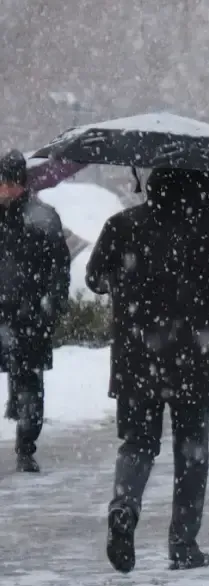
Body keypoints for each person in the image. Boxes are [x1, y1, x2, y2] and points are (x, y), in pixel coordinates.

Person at [86, 168, 209, 573]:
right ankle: (183, 544)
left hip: (135, 359)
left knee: (137, 444)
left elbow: (93, 278)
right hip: (192, 360)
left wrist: (124, 281)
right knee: (191, 452)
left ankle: (124, 507)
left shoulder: (121, 225)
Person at [0, 150, 70, 473]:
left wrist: (50, 308)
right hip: (9, 313)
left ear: (17, 183)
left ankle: (26, 446)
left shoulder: (42, 218)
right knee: (27, 382)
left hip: (30, 316)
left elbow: (59, 268)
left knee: (30, 384)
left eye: (4, 182)